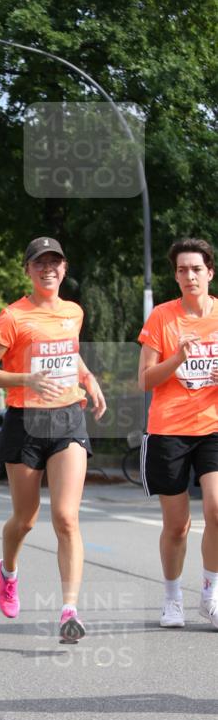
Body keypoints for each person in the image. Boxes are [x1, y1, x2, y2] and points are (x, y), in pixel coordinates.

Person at [0, 236, 107, 644]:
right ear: (28, 270)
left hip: (68, 417)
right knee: (26, 518)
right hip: (26, 423)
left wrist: (88, 378)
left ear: (64, 270)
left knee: (67, 518)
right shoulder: (13, 317)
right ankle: (9, 571)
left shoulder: (73, 312)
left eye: (55, 263)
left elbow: (70, 353)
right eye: (40, 263)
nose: (48, 269)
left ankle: (70, 609)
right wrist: (26, 379)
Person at [138, 237, 218, 629]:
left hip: (214, 427)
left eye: (196, 269)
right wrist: (178, 359)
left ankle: (211, 595)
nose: (190, 276)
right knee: (177, 524)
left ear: (210, 273)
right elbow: (145, 379)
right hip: (169, 430)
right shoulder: (162, 318)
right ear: (176, 275)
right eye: (183, 270)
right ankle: (172, 598)